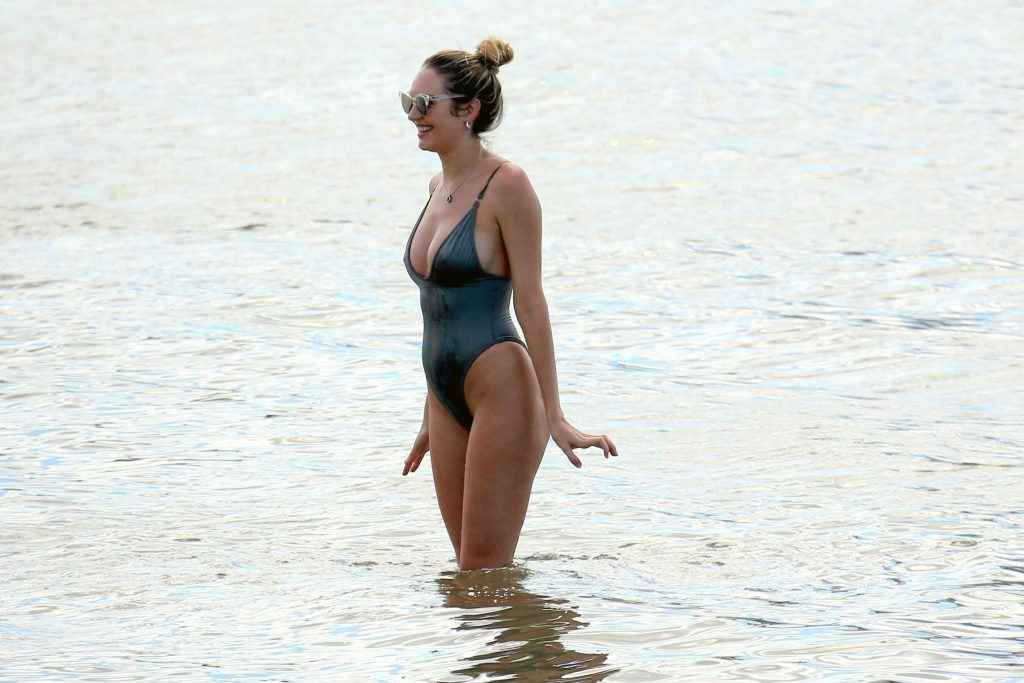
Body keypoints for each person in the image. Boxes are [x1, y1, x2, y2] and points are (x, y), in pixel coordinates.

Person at [399, 37, 619, 571]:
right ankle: (524, 630)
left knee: (483, 571)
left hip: (502, 387)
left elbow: (532, 302)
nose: (413, 116)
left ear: (468, 110)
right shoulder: (436, 185)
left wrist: (554, 413)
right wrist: (430, 413)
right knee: (467, 577)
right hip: (444, 393)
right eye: (408, 102)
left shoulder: (508, 186)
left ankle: (553, 629)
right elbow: (437, 310)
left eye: (424, 104)